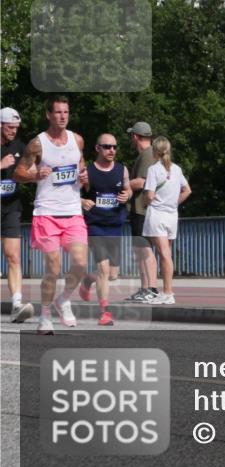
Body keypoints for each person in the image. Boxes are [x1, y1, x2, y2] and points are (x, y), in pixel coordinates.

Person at [13, 96, 89, 335]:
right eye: (58, 112)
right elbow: (18, 173)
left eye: (66, 112)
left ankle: (63, 299)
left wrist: (85, 178)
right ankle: (44, 316)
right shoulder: (38, 144)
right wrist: (35, 176)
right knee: (53, 269)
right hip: (46, 213)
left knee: (80, 262)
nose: (63, 116)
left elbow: (82, 168)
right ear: (49, 115)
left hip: (73, 211)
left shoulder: (77, 140)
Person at [79, 133, 131, 325]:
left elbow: (128, 189)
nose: (112, 150)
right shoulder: (87, 171)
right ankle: (104, 312)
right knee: (103, 268)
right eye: (107, 146)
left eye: (114, 147)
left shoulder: (121, 169)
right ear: (97, 148)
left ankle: (87, 280)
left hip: (115, 223)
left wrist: (128, 195)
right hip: (95, 225)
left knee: (112, 274)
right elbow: (68, 194)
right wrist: (82, 200)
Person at [142, 136, 191, 304]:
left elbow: (149, 195)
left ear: (155, 151)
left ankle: (168, 292)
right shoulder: (176, 169)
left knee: (163, 254)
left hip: (157, 214)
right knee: (166, 254)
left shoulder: (153, 170)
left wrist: (149, 200)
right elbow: (187, 190)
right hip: (172, 215)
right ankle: (167, 291)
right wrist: (172, 202)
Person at [1, 107, 33, 323]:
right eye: (10, 127)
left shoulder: (21, 147)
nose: (14, 131)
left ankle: (16, 304)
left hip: (11, 207)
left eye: (16, 127)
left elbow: (30, 171)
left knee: (13, 255)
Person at [125, 122, 159, 303]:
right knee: (140, 250)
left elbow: (144, 181)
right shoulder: (150, 154)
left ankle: (151, 288)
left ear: (135, 137)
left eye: (132, 136)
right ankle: (145, 288)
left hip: (142, 209)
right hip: (140, 208)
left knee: (145, 249)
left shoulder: (147, 155)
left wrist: (122, 184)